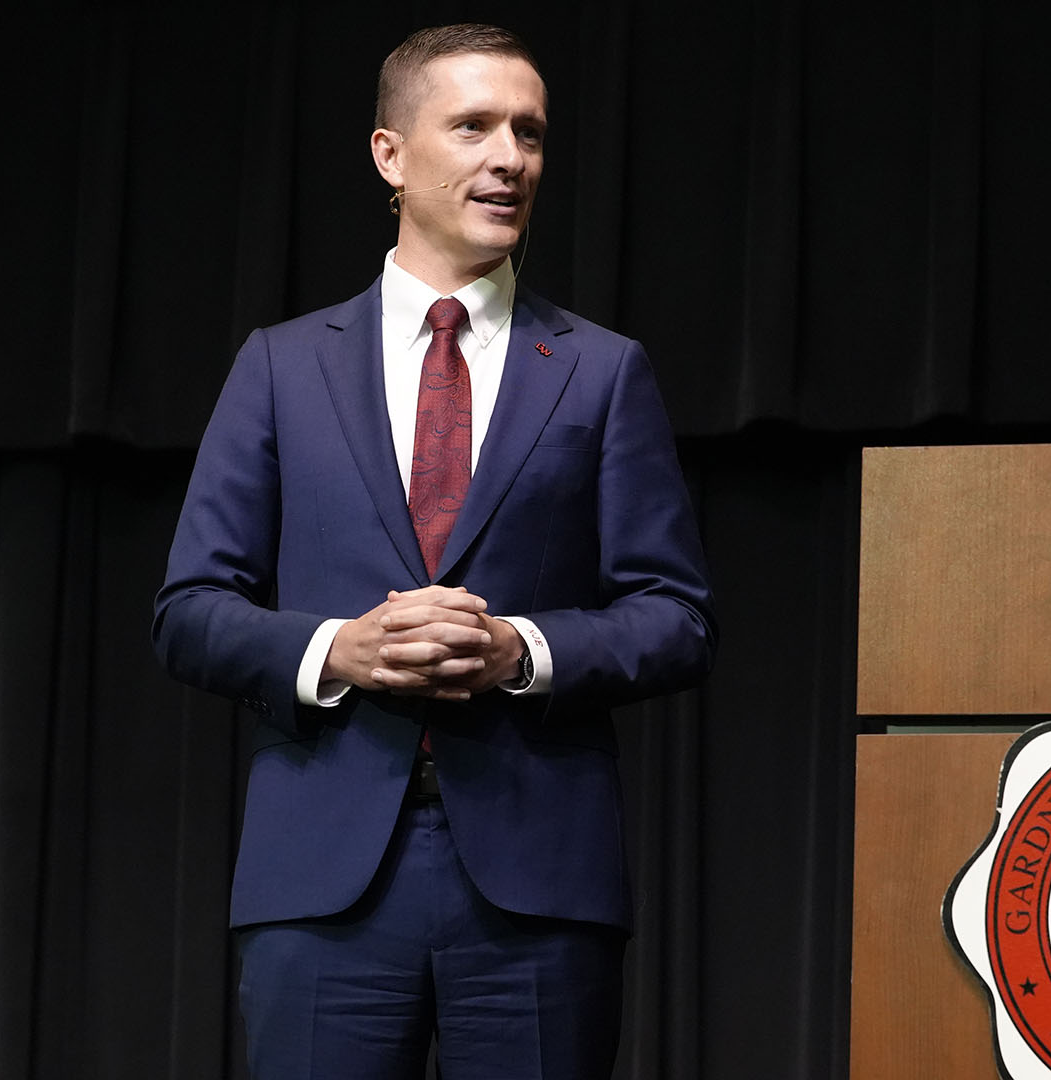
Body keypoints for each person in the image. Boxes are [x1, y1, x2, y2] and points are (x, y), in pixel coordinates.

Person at [151, 22, 717, 1080]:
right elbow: (189, 608)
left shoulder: (600, 371)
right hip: (322, 883)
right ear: (391, 154)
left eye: (531, 133)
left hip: (540, 886)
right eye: (475, 126)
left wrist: (522, 652)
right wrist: (338, 652)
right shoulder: (280, 367)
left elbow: (677, 616)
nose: (512, 156)